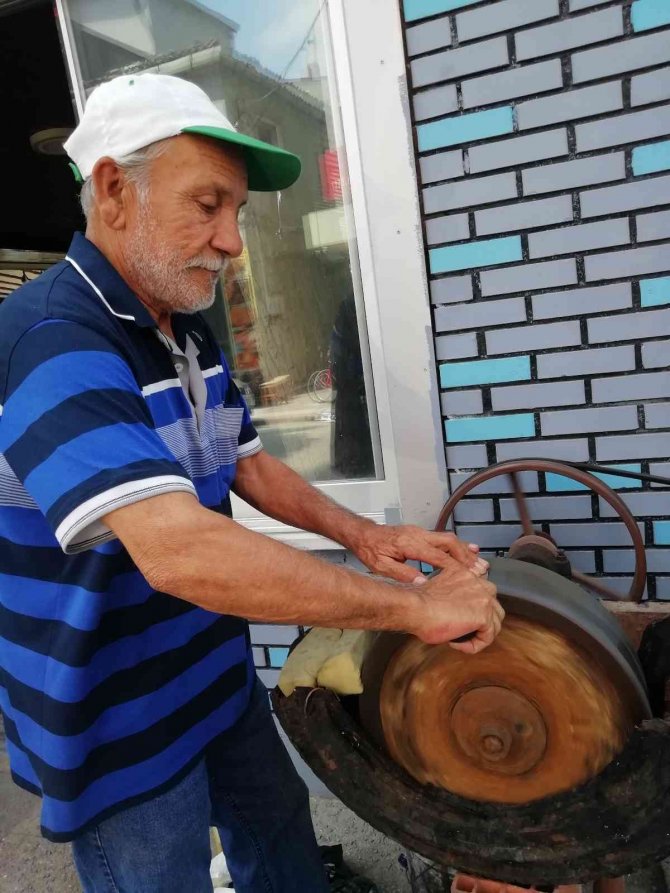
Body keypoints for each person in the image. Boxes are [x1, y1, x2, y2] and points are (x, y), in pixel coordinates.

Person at [0, 74, 502, 892]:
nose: (233, 240)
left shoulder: (187, 329)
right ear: (115, 190)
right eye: (209, 204)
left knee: (278, 836)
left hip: (211, 671)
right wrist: (416, 607)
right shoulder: (52, 337)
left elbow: (248, 464)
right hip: (111, 711)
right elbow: (179, 551)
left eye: (237, 211)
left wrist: (367, 537)